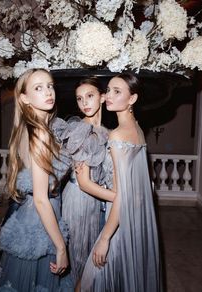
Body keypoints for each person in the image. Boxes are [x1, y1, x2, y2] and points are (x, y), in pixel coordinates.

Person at [0, 68, 73, 291]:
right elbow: (42, 199)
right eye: (38, 88)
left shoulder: (32, 127)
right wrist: (61, 247)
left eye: (50, 85)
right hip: (39, 220)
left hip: (32, 215)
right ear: (24, 98)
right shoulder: (39, 133)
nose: (48, 92)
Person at [81, 73, 163, 292]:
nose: (108, 96)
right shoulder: (137, 130)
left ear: (132, 99)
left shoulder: (117, 136)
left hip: (118, 218)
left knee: (90, 282)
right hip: (134, 217)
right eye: (108, 90)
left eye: (117, 92)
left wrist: (105, 238)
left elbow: (122, 194)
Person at [61, 77, 116, 292]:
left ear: (102, 97)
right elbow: (84, 183)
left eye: (90, 96)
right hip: (79, 199)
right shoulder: (80, 132)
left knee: (91, 262)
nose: (84, 102)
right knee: (80, 263)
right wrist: (120, 198)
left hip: (96, 201)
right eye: (79, 98)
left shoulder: (106, 131)